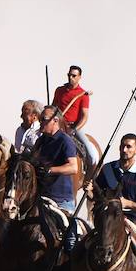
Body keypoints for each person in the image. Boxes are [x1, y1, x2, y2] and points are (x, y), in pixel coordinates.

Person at [92, 133, 136, 268]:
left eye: (129, 147)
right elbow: (96, 196)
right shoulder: (108, 169)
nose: (124, 150)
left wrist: (129, 204)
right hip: (109, 218)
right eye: (122, 146)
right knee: (81, 248)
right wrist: (89, 190)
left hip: (133, 219)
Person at [32, 105, 80, 254]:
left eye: (44, 120)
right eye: (40, 120)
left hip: (61, 200)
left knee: (69, 240)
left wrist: (50, 170)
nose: (41, 123)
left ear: (55, 120)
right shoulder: (40, 141)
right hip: (40, 197)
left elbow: (73, 167)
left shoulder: (65, 141)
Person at [51, 65, 91, 132]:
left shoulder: (83, 94)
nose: (70, 77)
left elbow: (85, 116)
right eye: (69, 75)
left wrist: (74, 130)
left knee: (86, 142)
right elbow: (53, 108)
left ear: (79, 77)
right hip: (58, 124)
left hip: (73, 126)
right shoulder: (59, 90)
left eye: (74, 76)